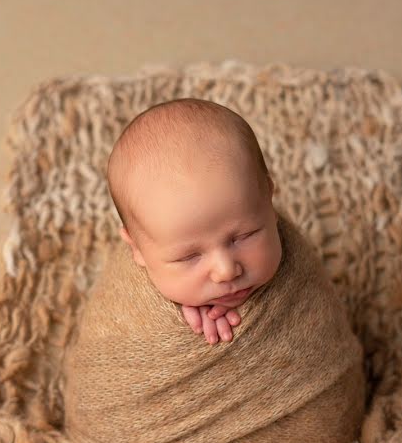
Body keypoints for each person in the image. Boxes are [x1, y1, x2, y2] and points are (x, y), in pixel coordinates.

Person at [107, 97, 282, 345]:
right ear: (136, 249)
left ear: (269, 200)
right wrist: (169, 312)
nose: (226, 271)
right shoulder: (122, 314)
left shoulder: (302, 283)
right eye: (188, 257)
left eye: (245, 236)